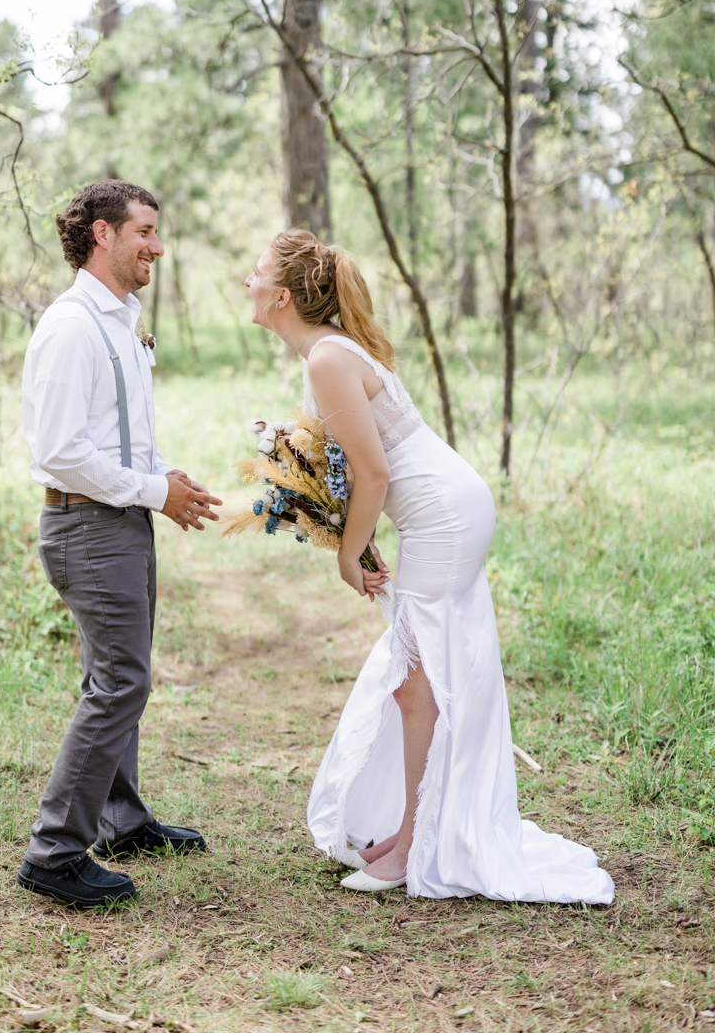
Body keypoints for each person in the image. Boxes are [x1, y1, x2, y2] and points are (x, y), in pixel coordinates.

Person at [244, 229, 614, 903]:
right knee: (425, 677)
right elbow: (361, 473)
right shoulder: (328, 350)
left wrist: (350, 552)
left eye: (256, 272)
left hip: (442, 514)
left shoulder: (327, 357)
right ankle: (419, 828)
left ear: (283, 296)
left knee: (419, 683)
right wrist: (347, 529)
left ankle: (416, 843)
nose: (247, 281)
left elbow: (375, 471)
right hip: (445, 507)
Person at [19, 180, 222, 909]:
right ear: (103, 234)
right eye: (144, 231)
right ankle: (53, 851)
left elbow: (115, 433)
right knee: (122, 683)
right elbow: (62, 450)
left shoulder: (122, 320)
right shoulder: (73, 326)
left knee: (113, 675)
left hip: (121, 522)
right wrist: (150, 493)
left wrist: (160, 481)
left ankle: (122, 819)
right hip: (86, 526)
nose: (157, 246)